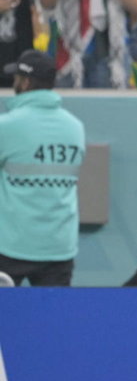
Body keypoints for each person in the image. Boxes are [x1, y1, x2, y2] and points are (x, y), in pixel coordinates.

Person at [0, 49, 85, 286]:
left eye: (16, 78)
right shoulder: (75, 127)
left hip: (9, 247)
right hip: (59, 248)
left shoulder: (6, 127)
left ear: (25, 82)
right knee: (54, 322)